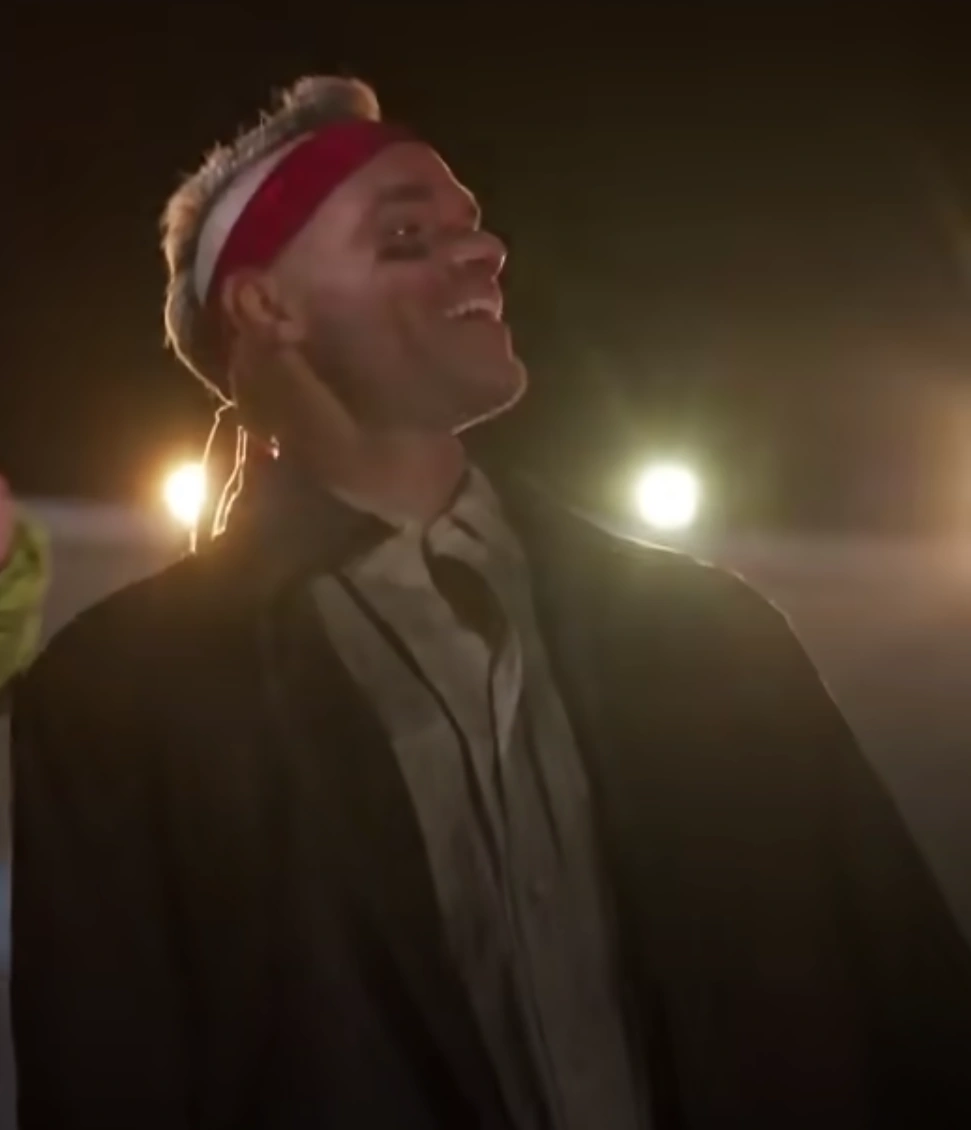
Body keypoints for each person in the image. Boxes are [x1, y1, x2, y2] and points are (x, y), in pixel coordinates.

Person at [10, 76, 971, 1130]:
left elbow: (914, 1006)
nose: (484, 252)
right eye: (406, 236)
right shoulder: (118, 703)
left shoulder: (709, 637)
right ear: (267, 306)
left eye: (470, 227)